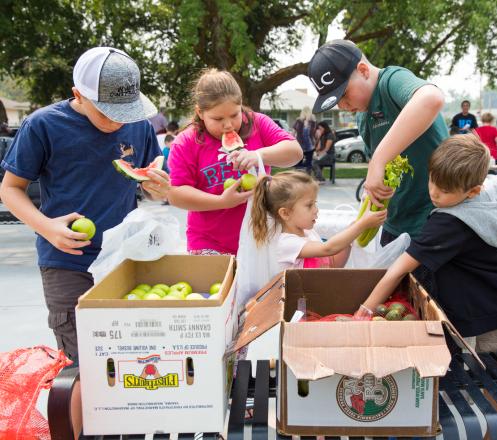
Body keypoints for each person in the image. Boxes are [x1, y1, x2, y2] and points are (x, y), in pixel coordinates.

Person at [0, 47, 170, 365]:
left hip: (124, 257)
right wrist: (47, 228)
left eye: (126, 112)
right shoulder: (43, 125)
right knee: (82, 363)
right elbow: (10, 189)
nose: (119, 121)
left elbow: (150, 189)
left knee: (131, 359)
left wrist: (157, 189)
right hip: (67, 262)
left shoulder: (139, 126)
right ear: (78, 94)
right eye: (107, 112)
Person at [355, 135, 497, 353]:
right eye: (432, 180)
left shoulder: (450, 222)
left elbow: (398, 270)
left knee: (495, 376)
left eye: (446, 191)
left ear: (473, 191)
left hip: (490, 312)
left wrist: (364, 311)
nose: (434, 192)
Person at [307, 39, 449, 246]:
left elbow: (431, 98)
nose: (343, 105)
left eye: (344, 94)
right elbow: (383, 168)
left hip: (434, 218)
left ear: (363, 70)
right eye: (337, 101)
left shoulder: (391, 80)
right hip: (396, 222)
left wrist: (378, 161)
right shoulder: (363, 117)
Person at [167, 68, 302, 255]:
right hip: (208, 242)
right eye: (218, 118)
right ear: (200, 112)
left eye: (234, 114)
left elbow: (295, 152)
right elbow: (175, 194)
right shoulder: (186, 142)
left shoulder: (257, 123)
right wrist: (221, 201)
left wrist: (258, 155)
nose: (228, 124)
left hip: (260, 236)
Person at [251, 171, 386, 270]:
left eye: (315, 203)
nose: (316, 210)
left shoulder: (309, 234)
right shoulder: (286, 243)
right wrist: (362, 225)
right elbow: (328, 249)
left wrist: (351, 234)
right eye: (309, 205)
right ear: (285, 213)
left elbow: (332, 264)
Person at [292, 107, 316, 174]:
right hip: (305, 144)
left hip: (307, 144)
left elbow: (293, 133)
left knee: (304, 162)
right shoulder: (299, 121)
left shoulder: (312, 122)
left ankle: (303, 177)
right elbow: (293, 132)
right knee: (303, 162)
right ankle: (302, 177)